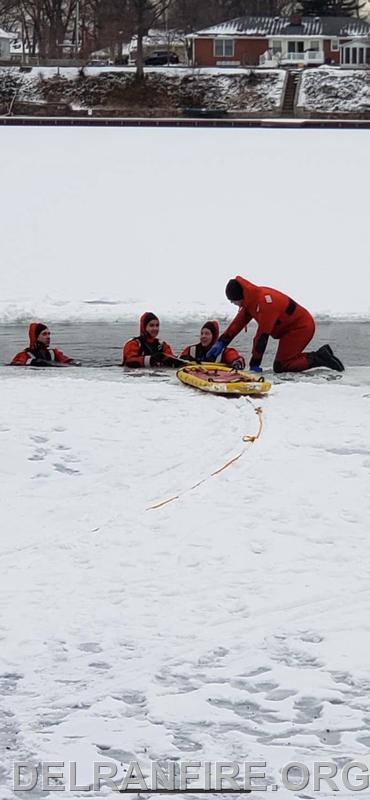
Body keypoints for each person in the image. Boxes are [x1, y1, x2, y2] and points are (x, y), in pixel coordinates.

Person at [206, 276, 344, 373]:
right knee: (282, 363)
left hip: (301, 328)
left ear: (240, 297)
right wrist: (221, 343)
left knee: (282, 366)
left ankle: (320, 357)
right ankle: (322, 354)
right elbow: (236, 325)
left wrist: (255, 364)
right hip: (288, 330)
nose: (234, 304)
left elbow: (262, 337)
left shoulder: (266, 302)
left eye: (233, 301)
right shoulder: (250, 300)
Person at [180, 320, 245, 369]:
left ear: (214, 336)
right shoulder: (192, 350)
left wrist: (237, 362)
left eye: (207, 334)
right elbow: (180, 360)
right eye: (202, 333)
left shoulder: (224, 352)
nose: (203, 336)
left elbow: (235, 357)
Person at [11, 323, 80, 366]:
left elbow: (67, 360)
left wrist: (75, 362)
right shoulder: (24, 355)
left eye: (49, 334)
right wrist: (37, 362)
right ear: (35, 337)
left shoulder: (53, 353)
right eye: (44, 334)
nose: (48, 337)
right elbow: (16, 365)